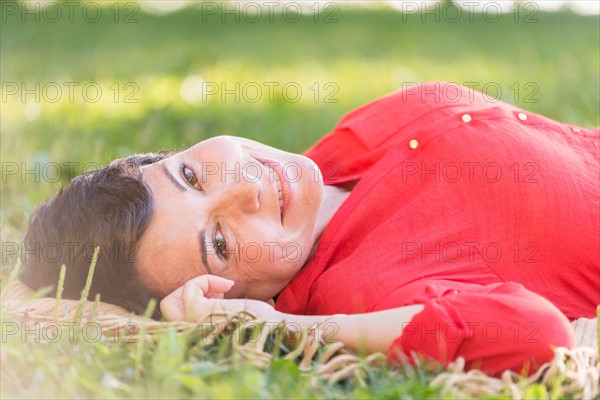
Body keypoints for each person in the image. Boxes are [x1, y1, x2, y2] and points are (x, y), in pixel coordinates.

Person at [20, 82, 599, 376]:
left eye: (192, 174)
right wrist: (289, 328)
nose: (244, 188)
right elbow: (536, 336)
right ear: (229, 299)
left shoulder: (336, 154)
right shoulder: (359, 291)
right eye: (218, 244)